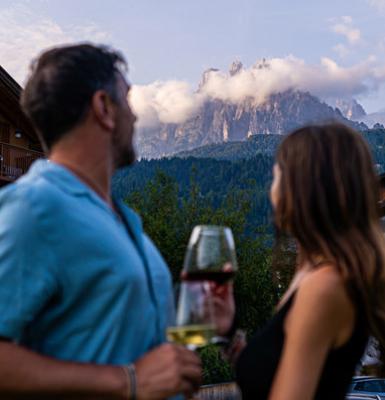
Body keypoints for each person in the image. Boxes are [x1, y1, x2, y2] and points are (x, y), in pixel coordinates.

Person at [0, 43, 202, 399]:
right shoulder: (34, 207)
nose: (136, 117)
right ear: (103, 107)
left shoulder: (121, 218)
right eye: (127, 99)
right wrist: (128, 382)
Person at [232, 123, 385, 399]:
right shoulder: (313, 275)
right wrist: (232, 338)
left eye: (277, 175)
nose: (272, 190)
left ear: (302, 188)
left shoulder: (324, 286)